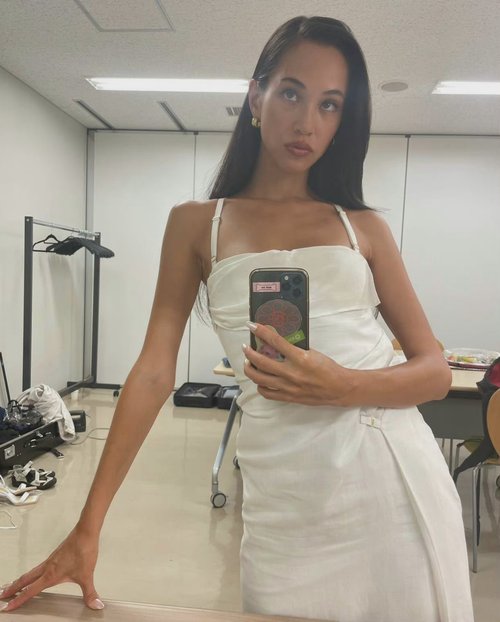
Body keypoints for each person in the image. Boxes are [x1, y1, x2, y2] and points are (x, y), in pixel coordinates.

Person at [0, 15, 474, 622]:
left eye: (330, 105)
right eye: (292, 93)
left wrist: (343, 385)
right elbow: (153, 371)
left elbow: (434, 371)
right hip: (284, 497)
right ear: (256, 97)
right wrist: (87, 526)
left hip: (391, 482)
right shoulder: (196, 224)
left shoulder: (364, 227)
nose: (307, 122)